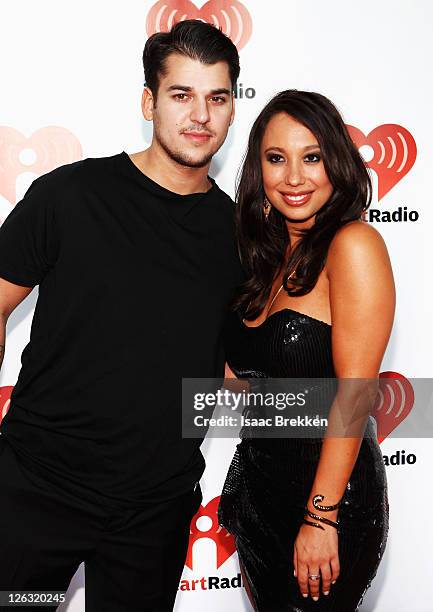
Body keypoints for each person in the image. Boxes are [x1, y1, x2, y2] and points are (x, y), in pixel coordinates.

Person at [0, 20, 242, 611]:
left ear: (234, 109)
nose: (200, 116)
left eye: (217, 97)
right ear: (148, 102)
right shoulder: (69, 196)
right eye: (181, 95)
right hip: (37, 494)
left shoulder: (240, 235)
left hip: (152, 515)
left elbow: (233, 376)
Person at [218, 90, 394, 611]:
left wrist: (321, 518)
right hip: (258, 490)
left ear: (336, 162)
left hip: (326, 505)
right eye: (277, 159)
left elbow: (356, 392)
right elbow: (251, 388)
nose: (294, 177)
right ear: (258, 171)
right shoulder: (265, 262)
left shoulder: (354, 244)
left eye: (311, 157)